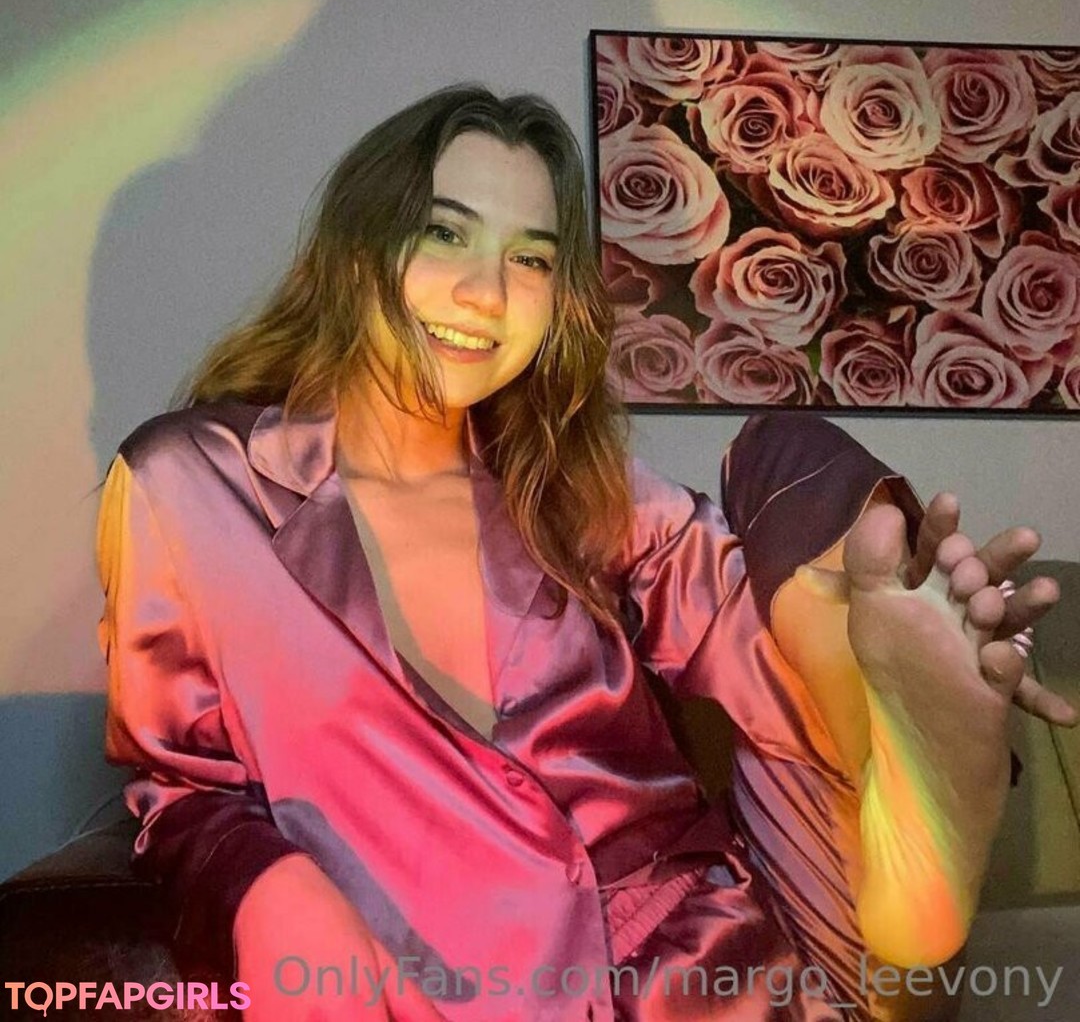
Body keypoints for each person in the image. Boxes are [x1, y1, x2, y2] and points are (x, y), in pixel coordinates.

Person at [96, 86, 1075, 1022]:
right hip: (451, 975)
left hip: (710, 958)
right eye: (445, 232)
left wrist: (891, 647)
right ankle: (900, 755)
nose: (487, 293)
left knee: (783, 449)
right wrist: (266, 886)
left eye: (530, 259)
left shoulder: (571, 487)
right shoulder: (189, 484)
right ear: (357, 247)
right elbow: (180, 787)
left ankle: (892, 729)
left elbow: (746, 644)